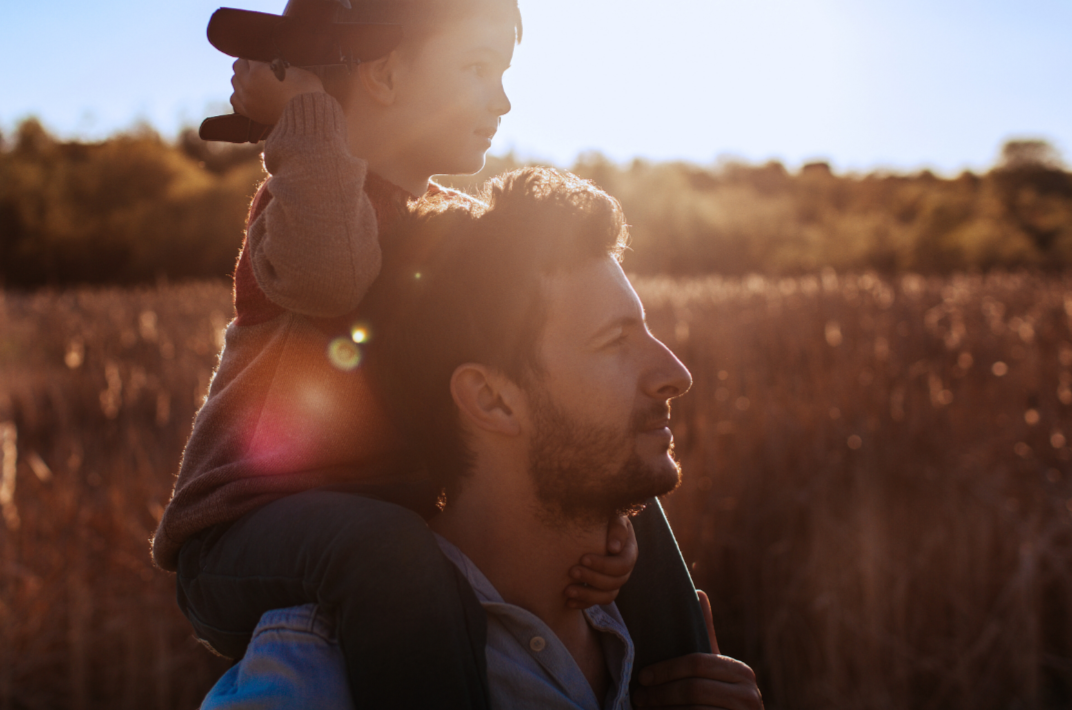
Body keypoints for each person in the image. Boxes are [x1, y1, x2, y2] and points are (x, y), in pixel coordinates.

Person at [151, 0, 658, 710]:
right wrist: (309, 107)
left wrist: (598, 522)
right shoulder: (298, 208)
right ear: (385, 72)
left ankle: (683, 677)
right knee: (388, 554)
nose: (501, 100)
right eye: (476, 68)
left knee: (607, 442)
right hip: (247, 535)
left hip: (387, 511)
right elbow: (329, 276)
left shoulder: (447, 223)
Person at [200, 167, 761, 709]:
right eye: (615, 341)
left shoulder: (665, 646)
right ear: (492, 399)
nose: (677, 374)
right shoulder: (321, 675)